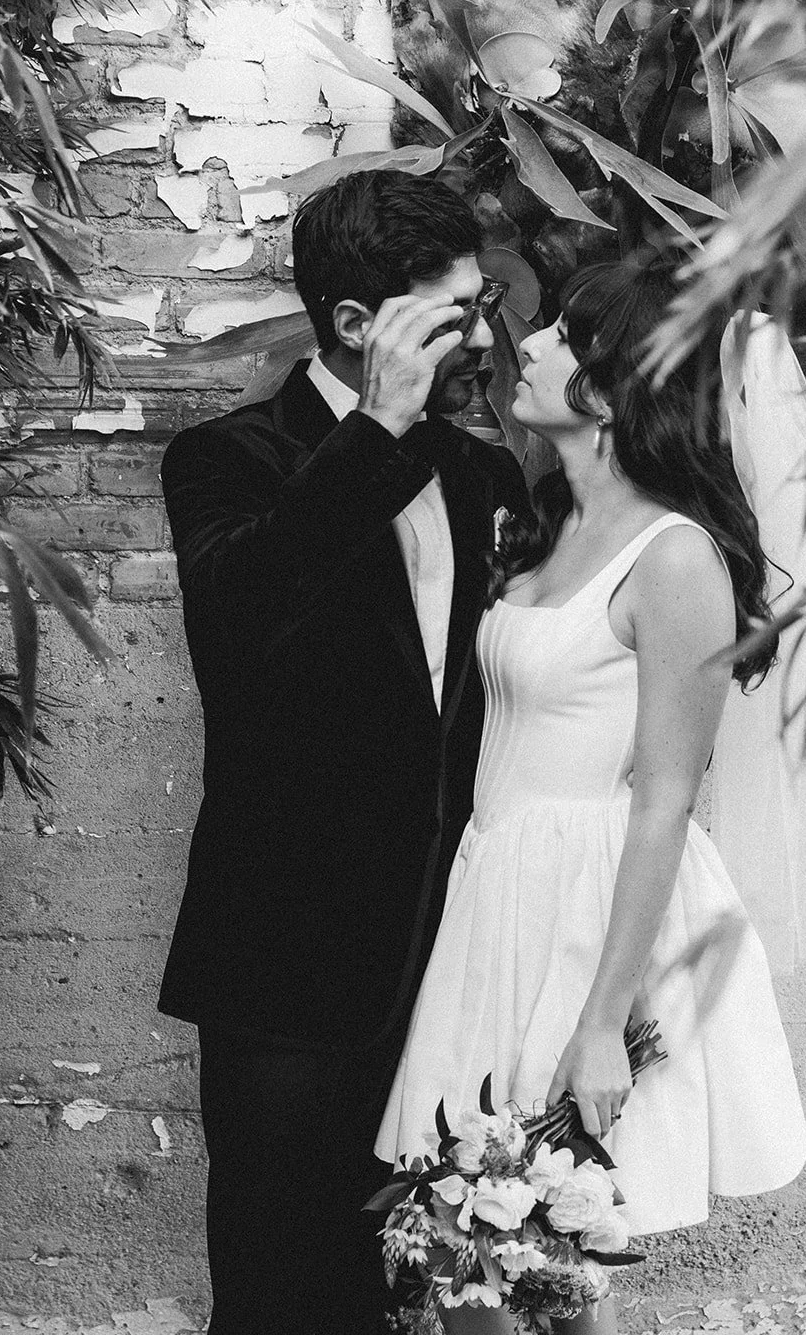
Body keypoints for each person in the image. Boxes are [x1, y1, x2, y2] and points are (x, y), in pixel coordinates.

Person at [376, 260, 806, 1331]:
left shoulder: (675, 562)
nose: (527, 344)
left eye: (564, 335)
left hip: (591, 913)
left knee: (545, 1255)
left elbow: (666, 798)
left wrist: (604, 1021)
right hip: (499, 894)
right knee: (471, 1248)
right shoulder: (548, 523)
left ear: (615, 388)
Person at [157, 171, 529, 1335]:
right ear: (359, 326)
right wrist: (377, 430)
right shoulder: (226, 458)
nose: (481, 337)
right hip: (286, 951)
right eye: (449, 314)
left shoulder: (481, 476)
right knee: (275, 1281)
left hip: (449, 949)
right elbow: (237, 624)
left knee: (420, 1286)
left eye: (480, 306)